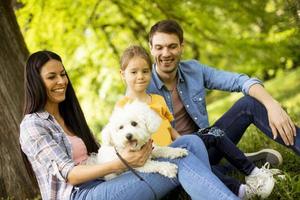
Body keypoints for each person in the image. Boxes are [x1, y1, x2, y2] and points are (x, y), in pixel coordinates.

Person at [19, 50, 240, 200]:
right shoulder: (33, 126)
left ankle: (197, 189)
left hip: (106, 181)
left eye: (63, 74)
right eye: (51, 77)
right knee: (182, 163)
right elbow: (70, 175)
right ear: (36, 82)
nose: (61, 81)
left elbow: (99, 153)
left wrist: (129, 156)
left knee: (190, 142)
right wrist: (123, 162)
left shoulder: (69, 116)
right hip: (81, 194)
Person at [146, 19, 300, 196]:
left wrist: (272, 105)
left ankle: (230, 162)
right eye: (159, 47)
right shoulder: (141, 85)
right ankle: (237, 168)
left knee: (249, 104)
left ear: (182, 46)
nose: (166, 53)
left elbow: (239, 81)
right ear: (151, 48)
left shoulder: (194, 70)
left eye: (172, 46)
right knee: (197, 172)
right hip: (175, 160)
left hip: (208, 144)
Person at [118, 45, 280, 199]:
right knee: (199, 166)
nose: (140, 76)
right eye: (133, 72)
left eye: (145, 71)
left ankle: (253, 172)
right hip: (158, 159)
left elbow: (170, 129)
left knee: (212, 133)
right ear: (123, 74)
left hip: (176, 148)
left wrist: (189, 144)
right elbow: (125, 142)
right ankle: (241, 191)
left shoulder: (158, 99)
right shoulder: (124, 108)